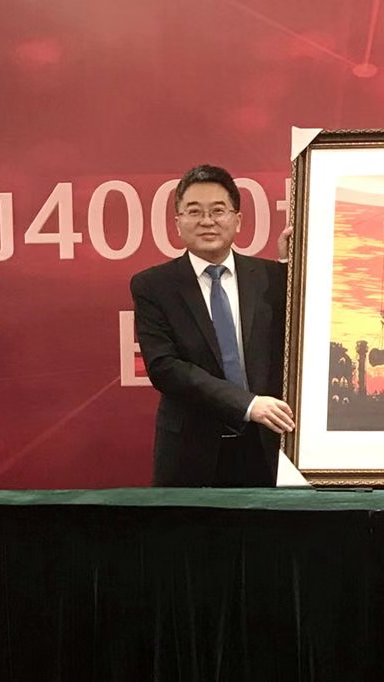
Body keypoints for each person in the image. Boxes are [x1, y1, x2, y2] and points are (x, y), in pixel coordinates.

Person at [130, 164, 294, 487]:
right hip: (191, 452)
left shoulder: (272, 278)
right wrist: (247, 404)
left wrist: (293, 265)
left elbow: (298, 339)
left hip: (266, 446)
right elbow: (165, 367)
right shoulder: (153, 286)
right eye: (194, 211)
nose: (207, 221)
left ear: (238, 220)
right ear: (178, 223)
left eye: (218, 211)